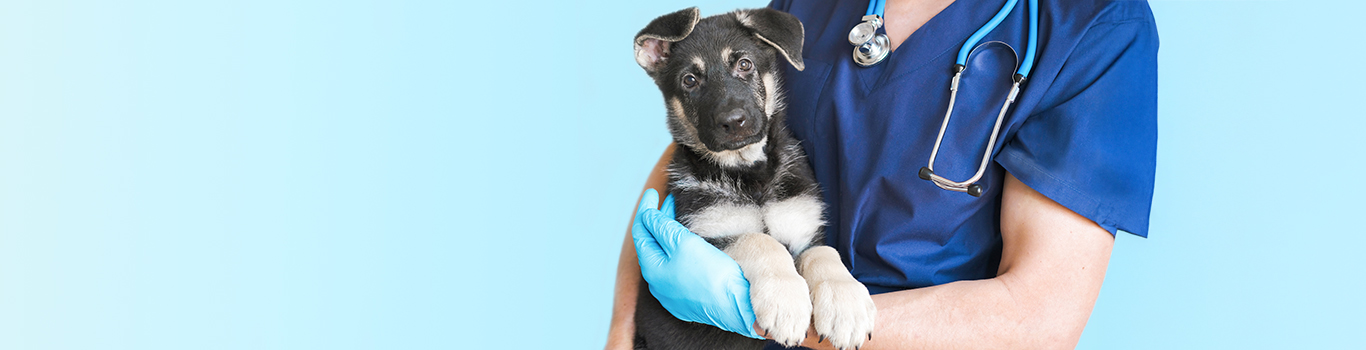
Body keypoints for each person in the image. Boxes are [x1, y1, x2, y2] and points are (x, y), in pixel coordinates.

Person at [605, 0, 1158, 348]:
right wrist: (621, 332)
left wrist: (781, 315)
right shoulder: (813, 8)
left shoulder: (1091, 27)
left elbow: (1039, 315)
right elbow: (709, 145)